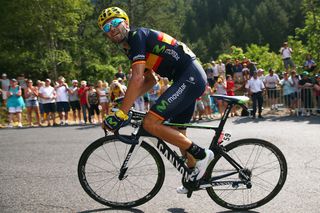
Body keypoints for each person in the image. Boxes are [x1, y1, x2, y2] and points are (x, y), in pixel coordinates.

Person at [98, 7, 214, 194]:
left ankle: (202, 155)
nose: (111, 29)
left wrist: (121, 113)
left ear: (125, 23)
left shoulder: (137, 36)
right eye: (106, 28)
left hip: (189, 76)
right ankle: (194, 177)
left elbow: (136, 79)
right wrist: (127, 100)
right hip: (186, 78)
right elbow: (150, 80)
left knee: (150, 122)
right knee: (178, 135)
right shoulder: (131, 48)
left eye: (115, 23)